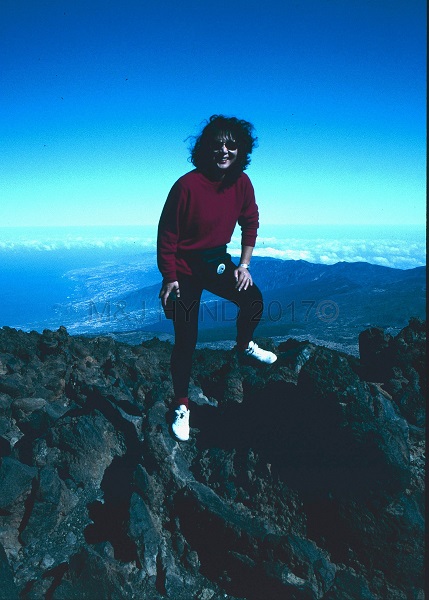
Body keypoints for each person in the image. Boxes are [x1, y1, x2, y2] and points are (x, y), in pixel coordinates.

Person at [157, 115, 277, 441]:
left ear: (241, 149)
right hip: (184, 270)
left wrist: (244, 265)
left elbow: (250, 222)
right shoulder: (186, 185)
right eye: (217, 144)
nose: (224, 151)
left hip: (217, 262)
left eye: (232, 145)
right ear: (206, 148)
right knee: (186, 339)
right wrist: (169, 278)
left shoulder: (242, 183)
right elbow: (167, 236)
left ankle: (244, 346)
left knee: (252, 299)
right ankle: (181, 405)